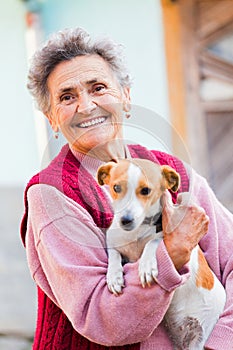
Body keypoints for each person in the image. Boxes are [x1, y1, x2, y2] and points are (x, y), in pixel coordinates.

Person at [20, 27, 233, 350]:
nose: (86, 105)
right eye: (67, 97)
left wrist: (217, 343)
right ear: (52, 119)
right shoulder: (52, 194)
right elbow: (105, 320)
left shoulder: (172, 171)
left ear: (126, 97)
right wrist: (169, 256)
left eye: (99, 88)